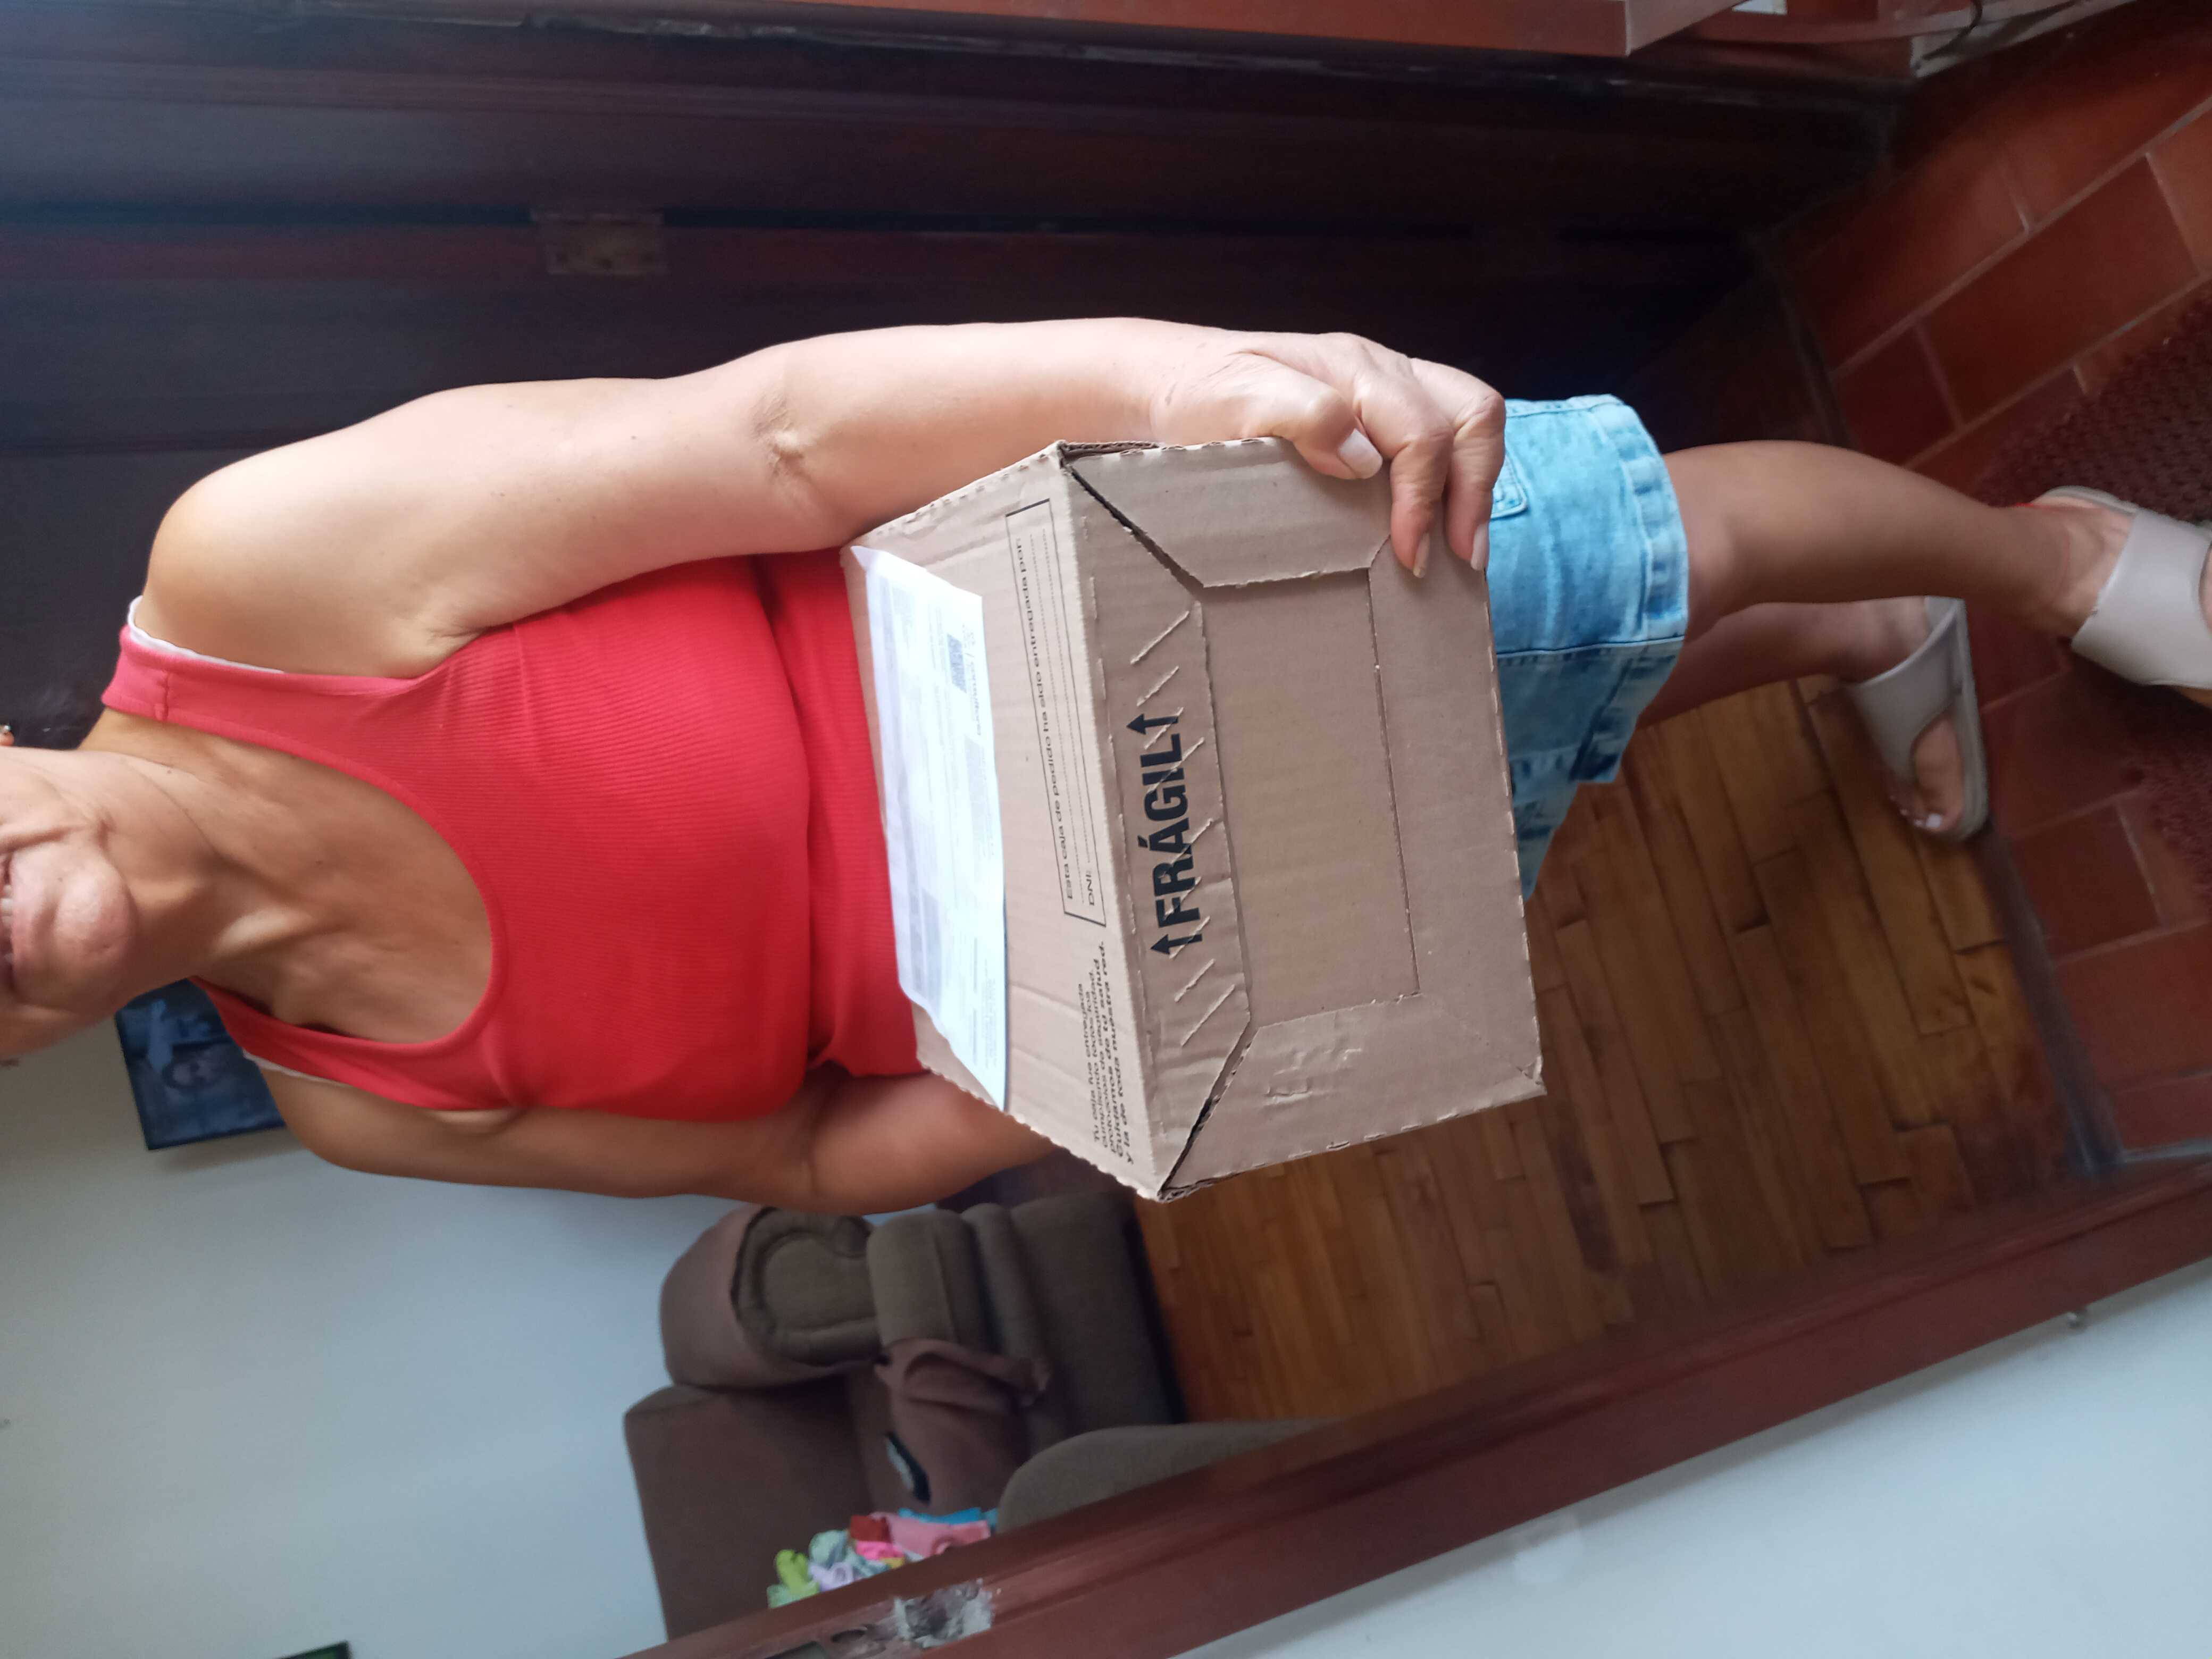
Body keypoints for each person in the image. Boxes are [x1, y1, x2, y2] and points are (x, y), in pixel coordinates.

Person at [2, 320, 2205, 1211]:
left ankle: (2051, 556)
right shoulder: (352, 1105)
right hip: (1186, 941)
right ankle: (1859, 641)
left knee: (1642, 545)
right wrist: (1134, 1066)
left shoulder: (260, 583)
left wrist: (1198, 383)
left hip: (1160, 615)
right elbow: (805, 1153)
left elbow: (778, 436)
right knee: (1539, 742)